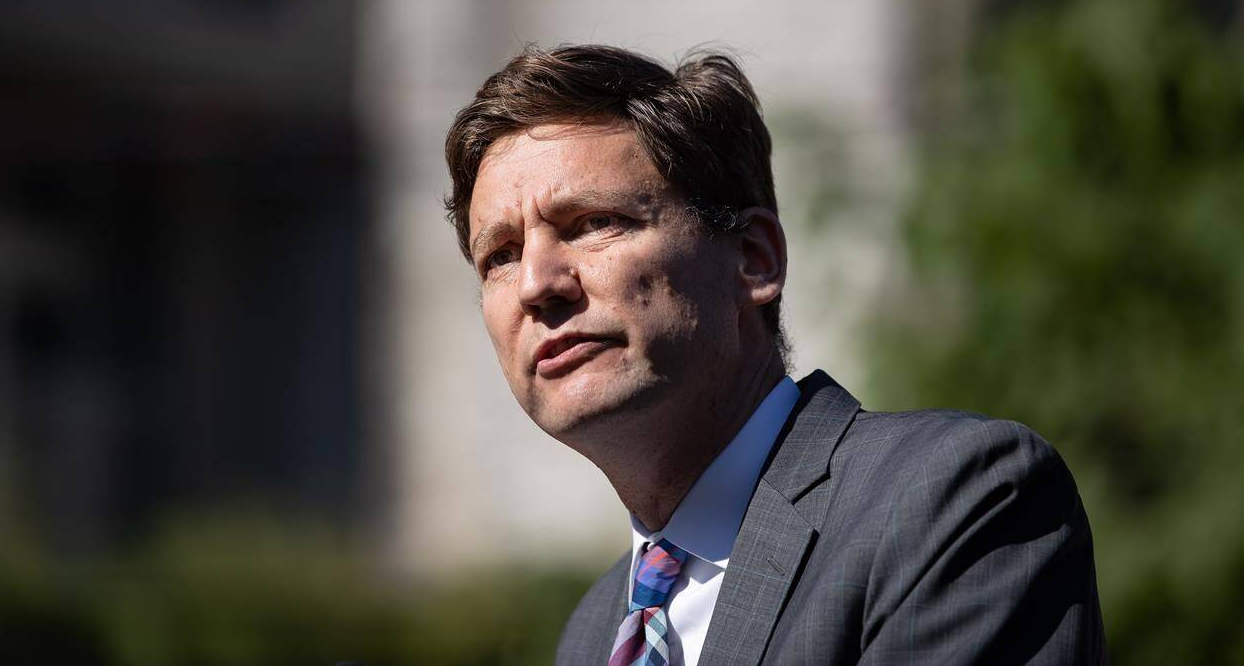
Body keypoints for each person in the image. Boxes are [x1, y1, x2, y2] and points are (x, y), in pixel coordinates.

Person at [443, 44, 1107, 665]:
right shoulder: (592, 632)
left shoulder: (955, 501)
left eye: (594, 223)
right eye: (498, 256)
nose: (535, 284)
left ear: (753, 260)